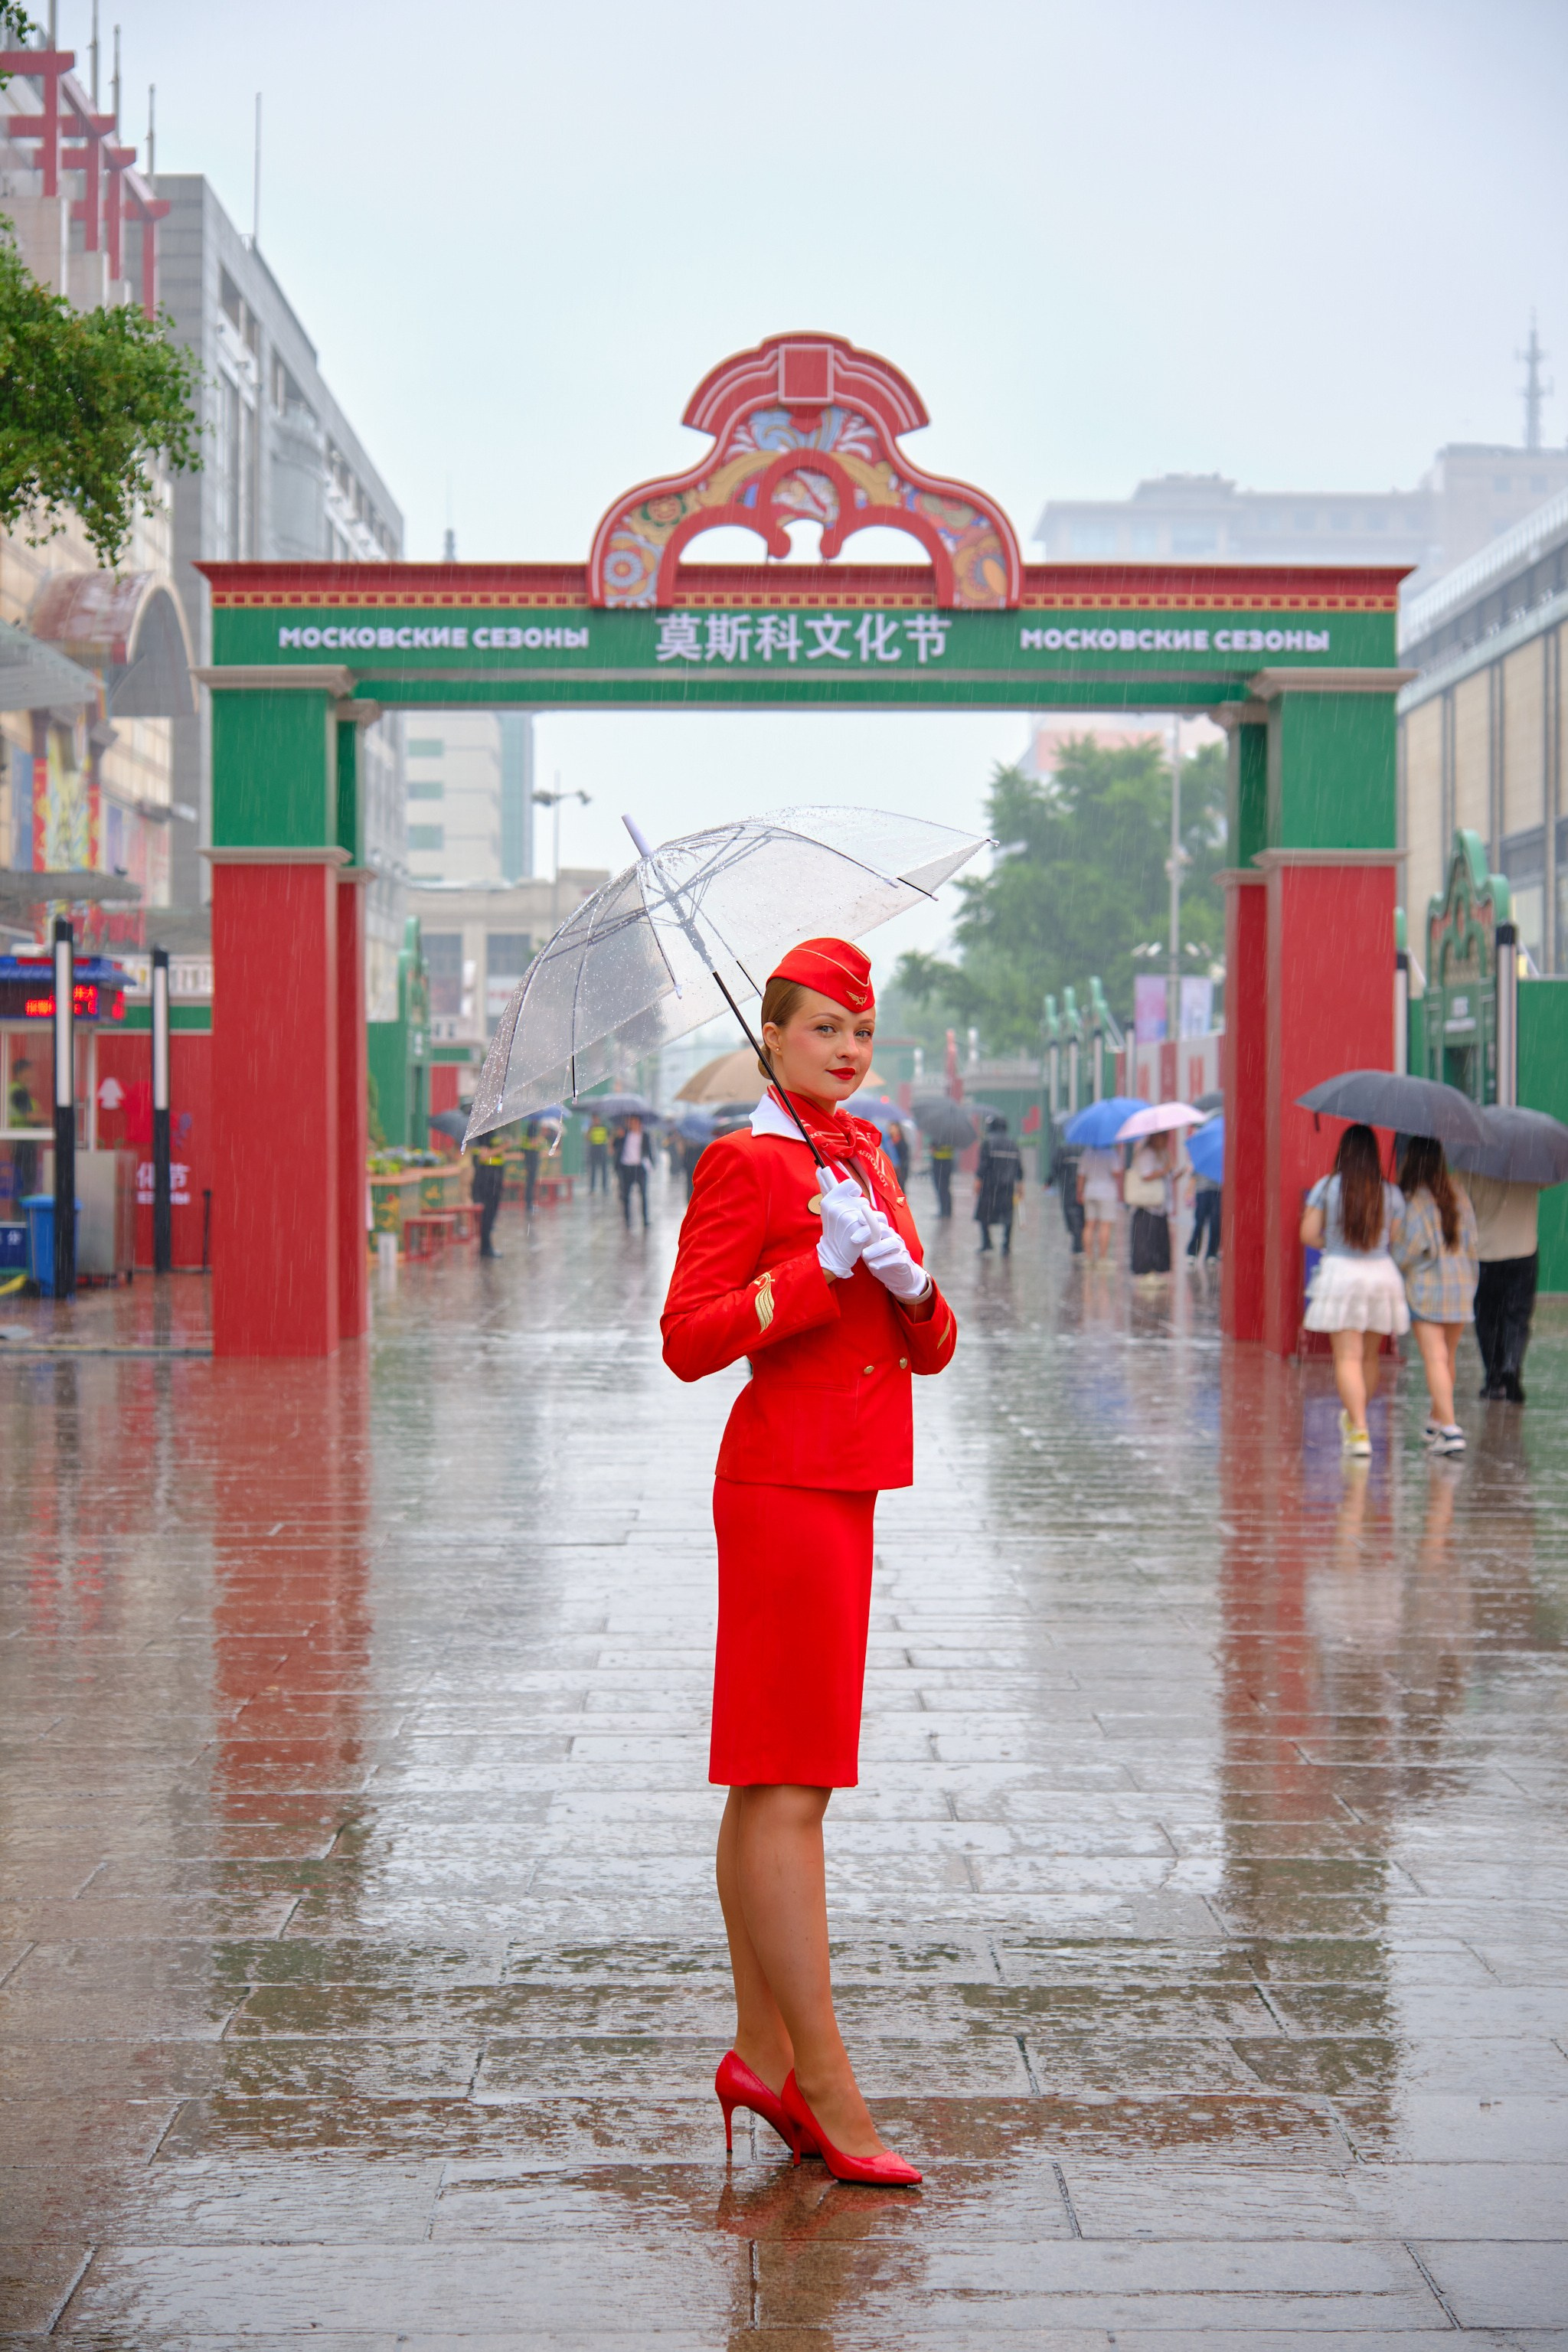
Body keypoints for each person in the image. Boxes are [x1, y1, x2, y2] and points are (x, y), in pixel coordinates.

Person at [662, 936, 956, 2187]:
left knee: (778, 1782)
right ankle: (823, 2087)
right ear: (769, 1037)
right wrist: (808, 1275)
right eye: (824, 1028)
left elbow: (931, 1347)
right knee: (788, 1779)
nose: (846, 1048)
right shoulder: (745, 1159)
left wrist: (902, 1276)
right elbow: (686, 1338)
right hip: (779, 1483)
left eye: (862, 1032)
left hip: (844, 1478)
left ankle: (759, 2052)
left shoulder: (865, 1153)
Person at [1299, 1123, 1408, 1459]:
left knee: (1346, 1356)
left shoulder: (1327, 1187)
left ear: (1342, 1152)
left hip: (1341, 1274)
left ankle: (1359, 1430)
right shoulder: (1390, 1193)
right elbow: (1396, 1237)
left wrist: (1330, 1243)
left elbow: (1308, 1233)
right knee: (1370, 1357)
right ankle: (1357, 1421)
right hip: (1381, 1275)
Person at [1393, 1135, 1478, 1455]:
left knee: (1435, 1357)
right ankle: (1436, 1421)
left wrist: (1394, 1261)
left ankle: (1451, 1429)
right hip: (1460, 1287)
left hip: (1429, 1291)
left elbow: (1405, 1252)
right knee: (1447, 1357)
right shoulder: (1458, 1194)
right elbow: (1472, 1242)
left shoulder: (1415, 1201)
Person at [1468, 1171, 1539, 1403]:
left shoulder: (1473, 1166)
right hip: (1523, 1248)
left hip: (1486, 1251)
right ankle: (1511, 1365)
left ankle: (1494, 1377)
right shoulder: (1533, 1163)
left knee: (1486, 1316)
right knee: (1517, 1315)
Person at [1124, 1132, 1173, 1277]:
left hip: (1160, 1205)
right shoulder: (1146, 1154)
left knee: (1158, 1240)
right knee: (1147, 1240)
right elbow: (1146, 1175)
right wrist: (1165, 1170)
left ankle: (1157, 1269)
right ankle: (1147, 1270)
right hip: (1147, 1205)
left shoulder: (1162, 1154)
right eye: (1164, 1138)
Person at [975, 1113, 1023, 1254]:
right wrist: (1020, 1185)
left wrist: (978, 1180)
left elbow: (983, 1165)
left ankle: (987, 1243)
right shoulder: (1012, 1144)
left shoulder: (988, 1142)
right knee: (1008, 1216)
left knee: (984, 1214)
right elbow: (1019, 1166)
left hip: (990, 1186)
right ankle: (1006, 1245)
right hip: (1007, 1187)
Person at [1076, 1142, 1120, 1261]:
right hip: (1107, 1193)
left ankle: (1089, 1256)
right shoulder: (1111, 1154)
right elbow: (1116, 1173)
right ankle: (1103, 1257)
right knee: (1105, 1225)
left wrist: (1079, 1192)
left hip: (1090, 1191)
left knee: (1089, 1225)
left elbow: (1081, 1175)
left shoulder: (1087, 1153)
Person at [469, 1138, 506, 1259]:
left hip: (493, 1178)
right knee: (487, 1215)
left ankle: (487, 1246)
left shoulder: (492, 1130)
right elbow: (484, 1155)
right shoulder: (486, 1133)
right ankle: (485, 1248)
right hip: (488, 1180)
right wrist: (503, 1146)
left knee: (491, 1215)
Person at [1050, 1133, 1086, 1254]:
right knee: (1082, 1214)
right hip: (1084, 1188)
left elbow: (1056, 1167)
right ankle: (1079, 1240)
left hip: (1068, 1187)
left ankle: (1077, 1241)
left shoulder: (1063, 1149)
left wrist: (1049, 1181)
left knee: (1071, 1212)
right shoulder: (1086, 1150)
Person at [617, 1113, 649, 1229]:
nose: (632, 1124)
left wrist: (651, 1165)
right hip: (627, 1167)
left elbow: (648, 1151)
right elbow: (614, 1148)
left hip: (640, 1168)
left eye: (635, 1122)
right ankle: (627, 1220)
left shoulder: (644, 1135)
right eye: (631, 1122)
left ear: (640, 1123)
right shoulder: (624, 1134)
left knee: (644, 1195)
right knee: (626, 1196)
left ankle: (645, 1220)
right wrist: (617, 1136)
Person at [1187, 1169, 1221, 1263]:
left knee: (1216, 1222)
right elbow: (1193, 1176)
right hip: (1202, 1191)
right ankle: (1192, 1252)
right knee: (1199, 1222)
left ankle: (1212, 1253)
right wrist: (1189, 1191)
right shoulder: (1202, 1159)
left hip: (1218, 1190)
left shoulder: (1220, 1160)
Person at [518, 1119, 547, 1215]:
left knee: (531, 1182)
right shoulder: (532, 1128)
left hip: (531, 1158)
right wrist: (542, 1137)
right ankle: (529, 1204)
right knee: (530, 1182)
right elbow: (533, 1142)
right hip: (531, 1158)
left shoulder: (532, 1126)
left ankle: (530, 1204)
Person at [928, 1137, 955, 1218]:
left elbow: (932, 1150)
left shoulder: (937, 1136)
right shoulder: (951, 1137)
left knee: (940, 1188)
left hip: (939, 1164)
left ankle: (943, 1211)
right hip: (948, 1164)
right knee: (946, 1187)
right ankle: (948, 1211)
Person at [586, 1116, 611, 1194]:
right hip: (594, 1148)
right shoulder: (591, 1128)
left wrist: (609, 1147)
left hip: (602, 1148)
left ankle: (605, 1188)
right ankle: (592, 1188)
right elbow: (587, 1137)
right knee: (593, 1170)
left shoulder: (604, 1127)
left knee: (604, 1170)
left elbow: (609, 1137)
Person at [887, 1120, 911, 1190]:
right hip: (891, 1170)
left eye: (893, 1128)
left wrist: (901, 1168)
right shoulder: (889, 1142)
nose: (891, 1131)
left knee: (900, 1188)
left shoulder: (901, 1142)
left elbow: (905, 1157)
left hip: (900, 1170)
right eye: (890, 1129)